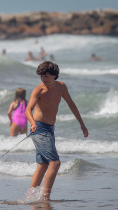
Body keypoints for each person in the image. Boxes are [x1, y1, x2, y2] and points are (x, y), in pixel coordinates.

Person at [25, 61, 88, 201]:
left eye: (46, 76)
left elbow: (71, 104)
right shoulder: (39, 90)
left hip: (50, 129)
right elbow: (28, 109)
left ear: (54, 76)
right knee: (55, 163)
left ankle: (30, 197)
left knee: (43, 165)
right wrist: (33, 123)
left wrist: (82, 124)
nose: (43, 79)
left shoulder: (61, 87)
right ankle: (45, 198)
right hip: (39, 128)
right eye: (41, 76)